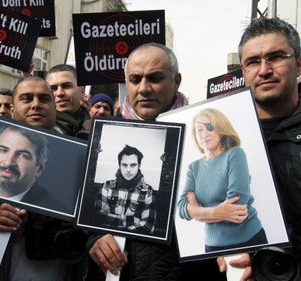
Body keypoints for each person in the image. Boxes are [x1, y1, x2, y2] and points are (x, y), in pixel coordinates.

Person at [87, 43, 225, 281]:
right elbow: (83, 208)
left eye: (155, 78)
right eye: (135, 79)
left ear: (177, 80)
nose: (144, 88)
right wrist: (93, 236)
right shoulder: (102, 138)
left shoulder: (207, 137)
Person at [217, 17, 301, 280]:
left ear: (299, 63)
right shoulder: (218, 140)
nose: (264, 70)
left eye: (275, 57)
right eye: (253, 62)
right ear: (243, 71)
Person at [0, 76, 87, 281]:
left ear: (53, 107)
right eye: (27, 98)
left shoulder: (79, 156)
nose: (36, 105)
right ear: (12, 109)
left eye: (44, 99)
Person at [178, 108, 267, 253]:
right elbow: (182, 208)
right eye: (199, 130)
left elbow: (237, 208)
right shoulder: (193, 168)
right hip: (212, 246)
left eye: (210, 127)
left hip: (249, 240)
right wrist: (216, 213)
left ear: (221, 129)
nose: (204, 134)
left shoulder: (235, 154)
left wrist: (198, 213)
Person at [95, 145, 155, 233]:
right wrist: (135, 221)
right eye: (124, 165)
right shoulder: (107, 186)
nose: (128, 170)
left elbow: (148, 227)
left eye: (133, 165)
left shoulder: (148, 191)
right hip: (105, 236)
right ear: (119, 165)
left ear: (139, 165)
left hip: (133, 241)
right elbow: (98, 218)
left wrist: (110, 218)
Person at [45, 64, 90, 139]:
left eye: (66, 86)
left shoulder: (97, 132)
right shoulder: (37, 129)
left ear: (82, 91)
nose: (59, 93)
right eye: (53, 88)